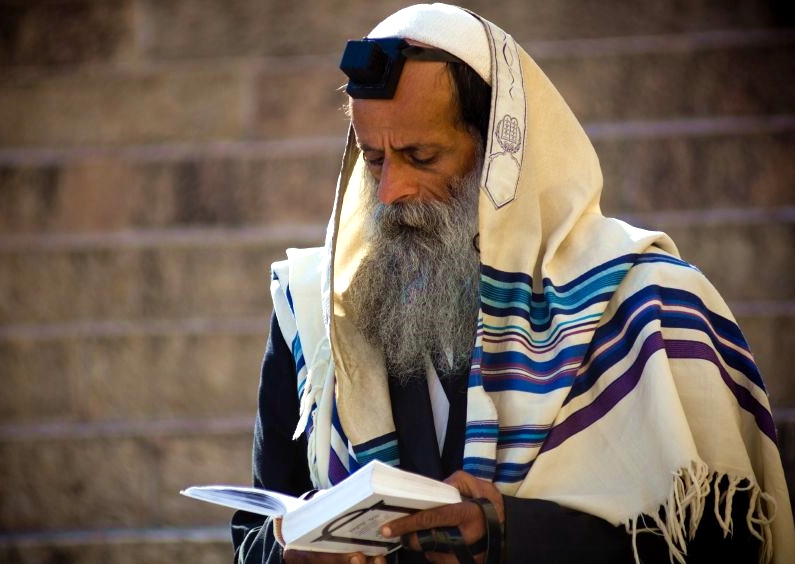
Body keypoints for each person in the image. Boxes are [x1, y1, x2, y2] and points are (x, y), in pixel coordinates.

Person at [231, 4, 795, 563]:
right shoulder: (317, 311)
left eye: (421, 157)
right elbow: (253, 535)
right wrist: (291, 555)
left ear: (506, 157)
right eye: (375, 160)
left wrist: (509, 535)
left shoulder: (645, 301)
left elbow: (723, 540)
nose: (390, 193)